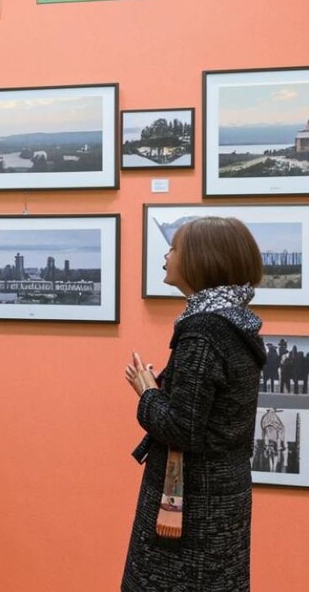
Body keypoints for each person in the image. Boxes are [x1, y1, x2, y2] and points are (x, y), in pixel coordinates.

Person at [122, 216, 265, 592]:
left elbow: (182, 428)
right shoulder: (235, 322)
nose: (166, 256)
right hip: (223, 496)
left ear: (201, 260)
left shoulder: (203, 330)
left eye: (174, 248)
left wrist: (147, 391)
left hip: (193, 504)